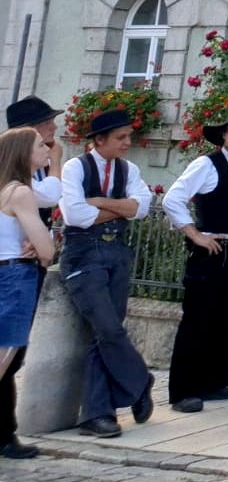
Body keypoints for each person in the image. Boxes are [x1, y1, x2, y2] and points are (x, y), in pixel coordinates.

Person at [161, 109, 228, 413]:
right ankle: (182, 391)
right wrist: (194, 234)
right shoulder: (205, 164)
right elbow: (172, 199)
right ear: (223, 134)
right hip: (210, 251)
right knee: (196, 319)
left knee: (223, 318)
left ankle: (214, 382)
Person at [58, 109, 156, 438]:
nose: (127, 142)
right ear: (99, 140)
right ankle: (139, 381)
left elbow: (141, 208)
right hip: (83, 254)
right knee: (108, 328)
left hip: (117, 253)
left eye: (129, 136)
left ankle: (98, 414)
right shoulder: (75, 167)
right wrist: (120, 207)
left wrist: (100, 201)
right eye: (121, 137)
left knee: (105, 334)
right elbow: (75, 215)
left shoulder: (129, 169)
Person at [0, 95, 64, 459]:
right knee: (8, 355)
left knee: (13, 355)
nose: (53, 129)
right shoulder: (20, 181)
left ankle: (5, 431)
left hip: (23, 268)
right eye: (45, 124)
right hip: (15, 272)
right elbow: (48, 199)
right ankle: (4, 433)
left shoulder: (26, 174)